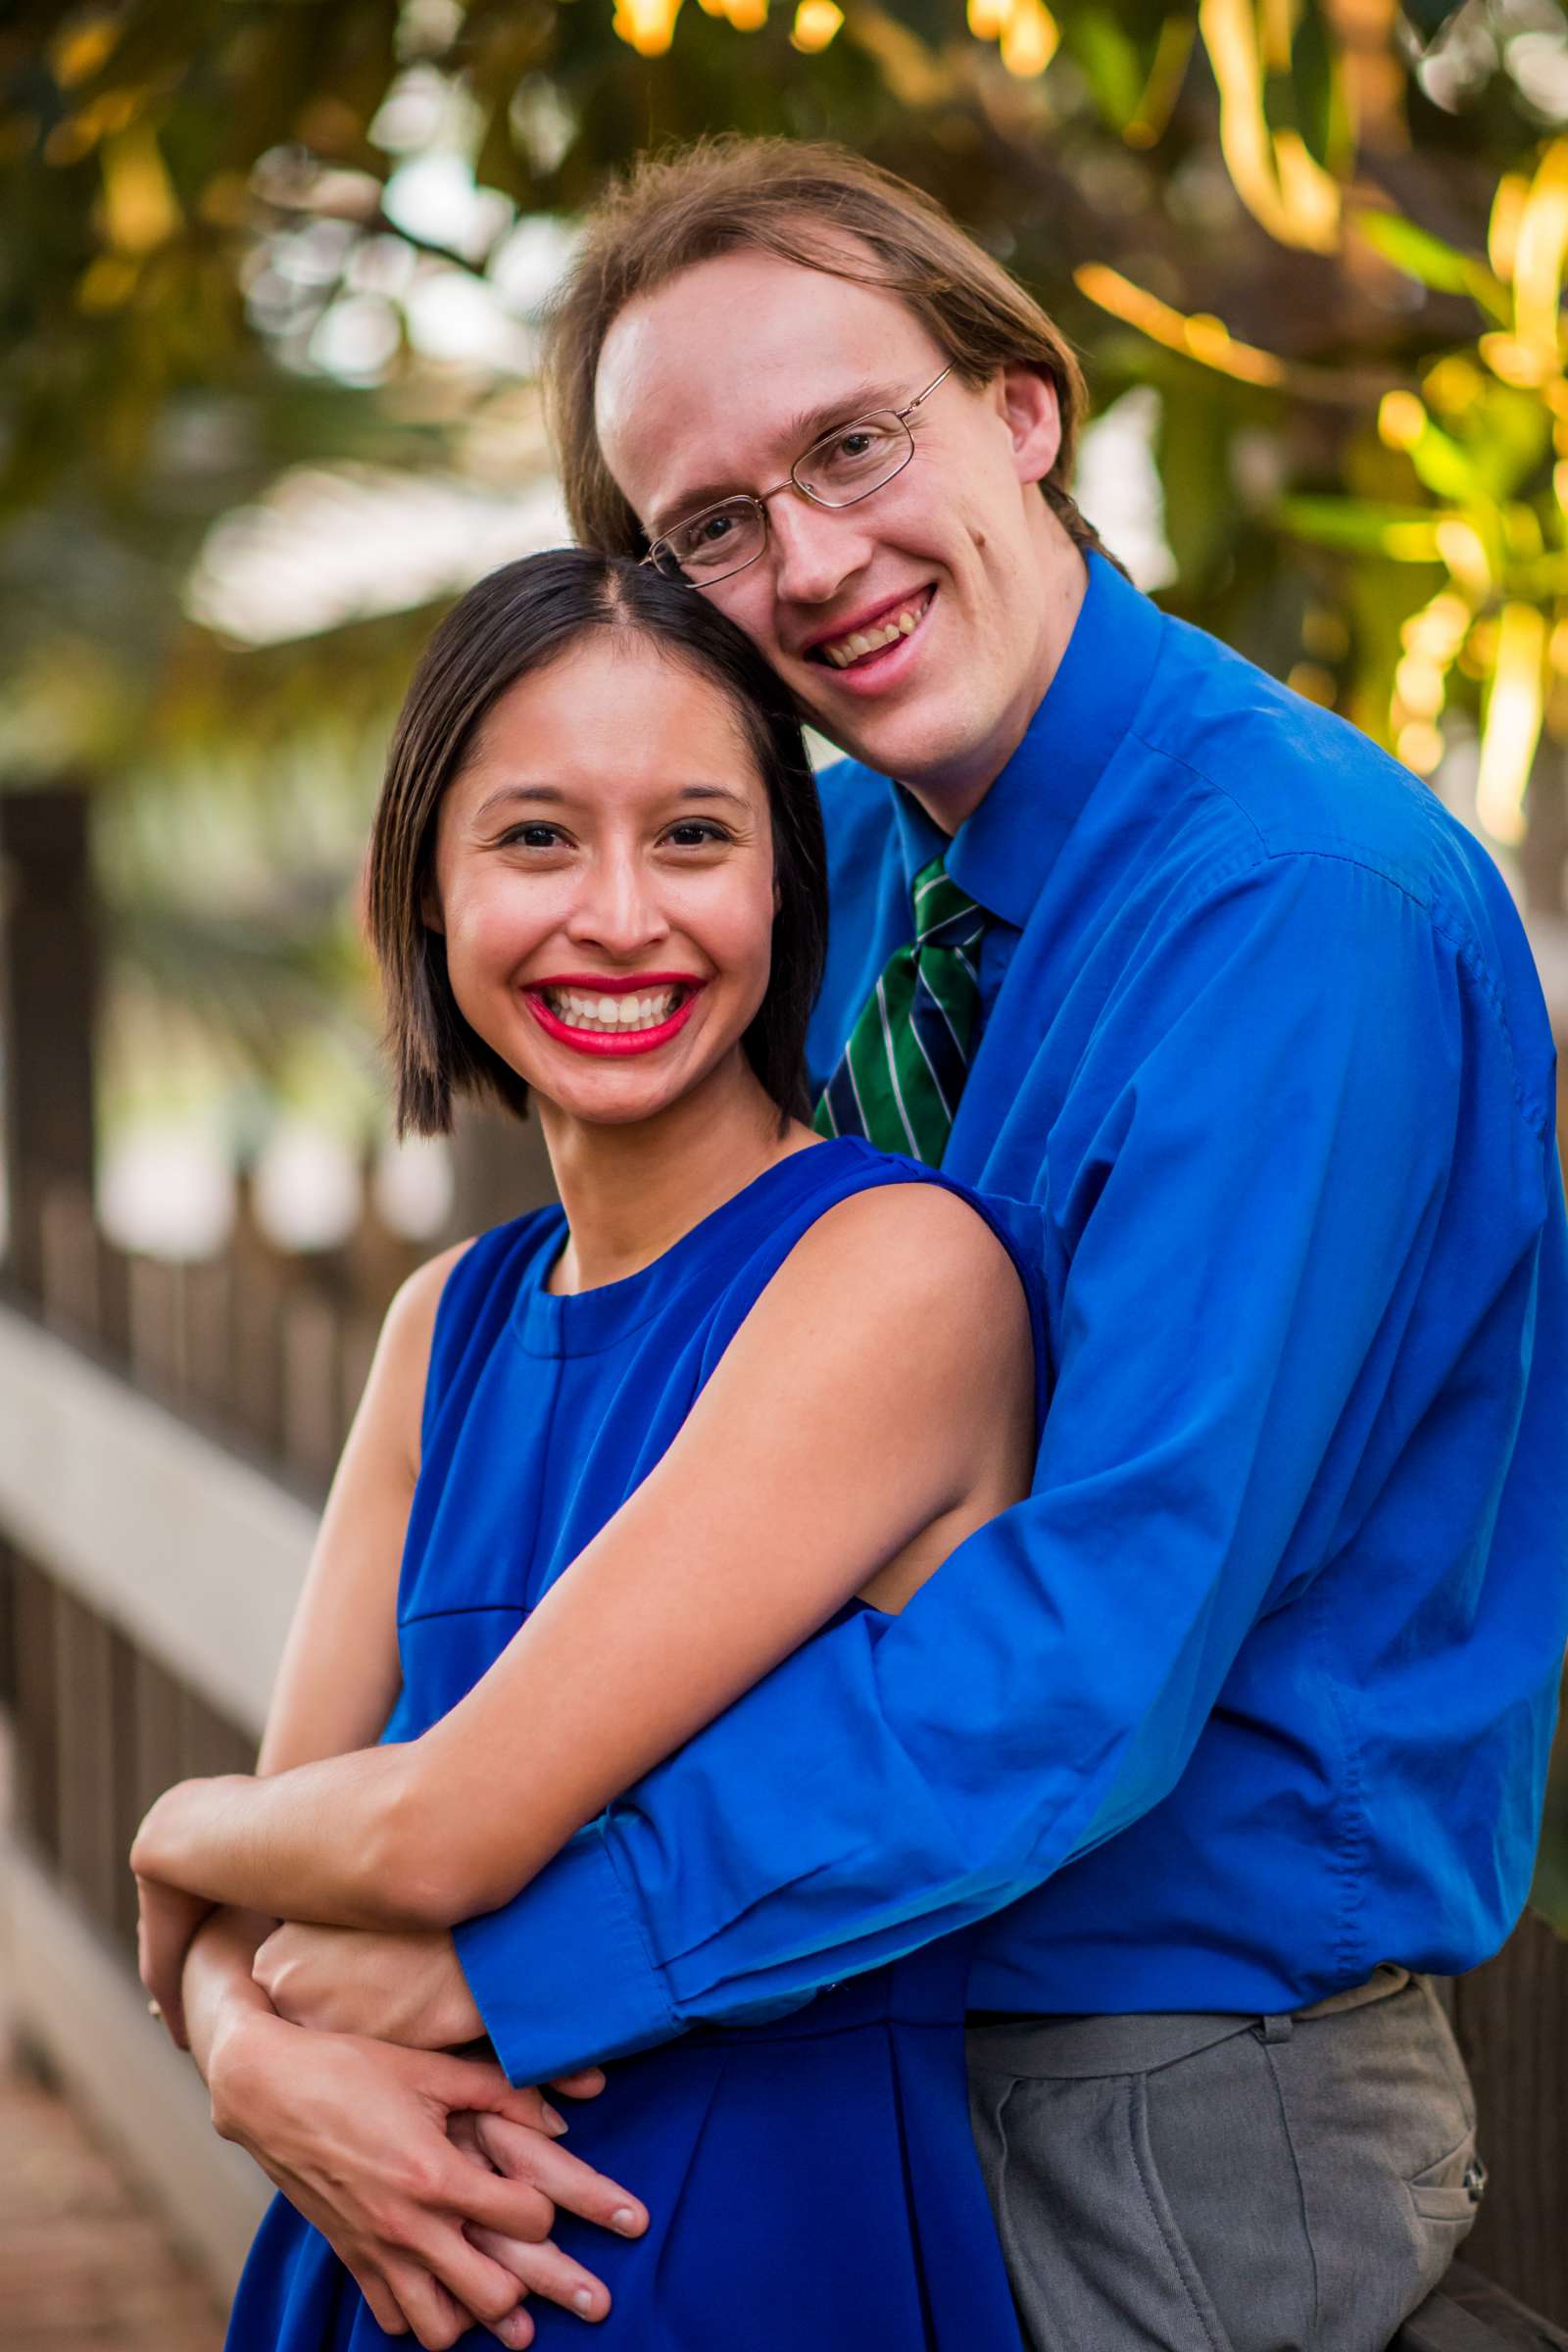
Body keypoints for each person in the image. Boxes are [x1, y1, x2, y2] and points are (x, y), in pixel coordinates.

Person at [174, 140, 1568, 2352]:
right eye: (704, 525)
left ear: (1022, 410)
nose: (805, 558)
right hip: (761, 2018)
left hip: (1130, 2070)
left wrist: (490, 1955)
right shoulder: (811, 878)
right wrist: (259, 2043)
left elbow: (1089, 1641)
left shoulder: (1294, 907)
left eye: (848, 444)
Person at [133, 545, 1045, 2349]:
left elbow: (431, 1837)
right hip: (381, 2251)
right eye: (537, 839)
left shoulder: (899, 1277)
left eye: (695, 837)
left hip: (739, 2263)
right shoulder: (442, 1329)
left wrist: (173, 1831)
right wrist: (251, 2060)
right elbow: (291, 1863)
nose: (619, 917)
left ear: (789, 878)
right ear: (425, 887)